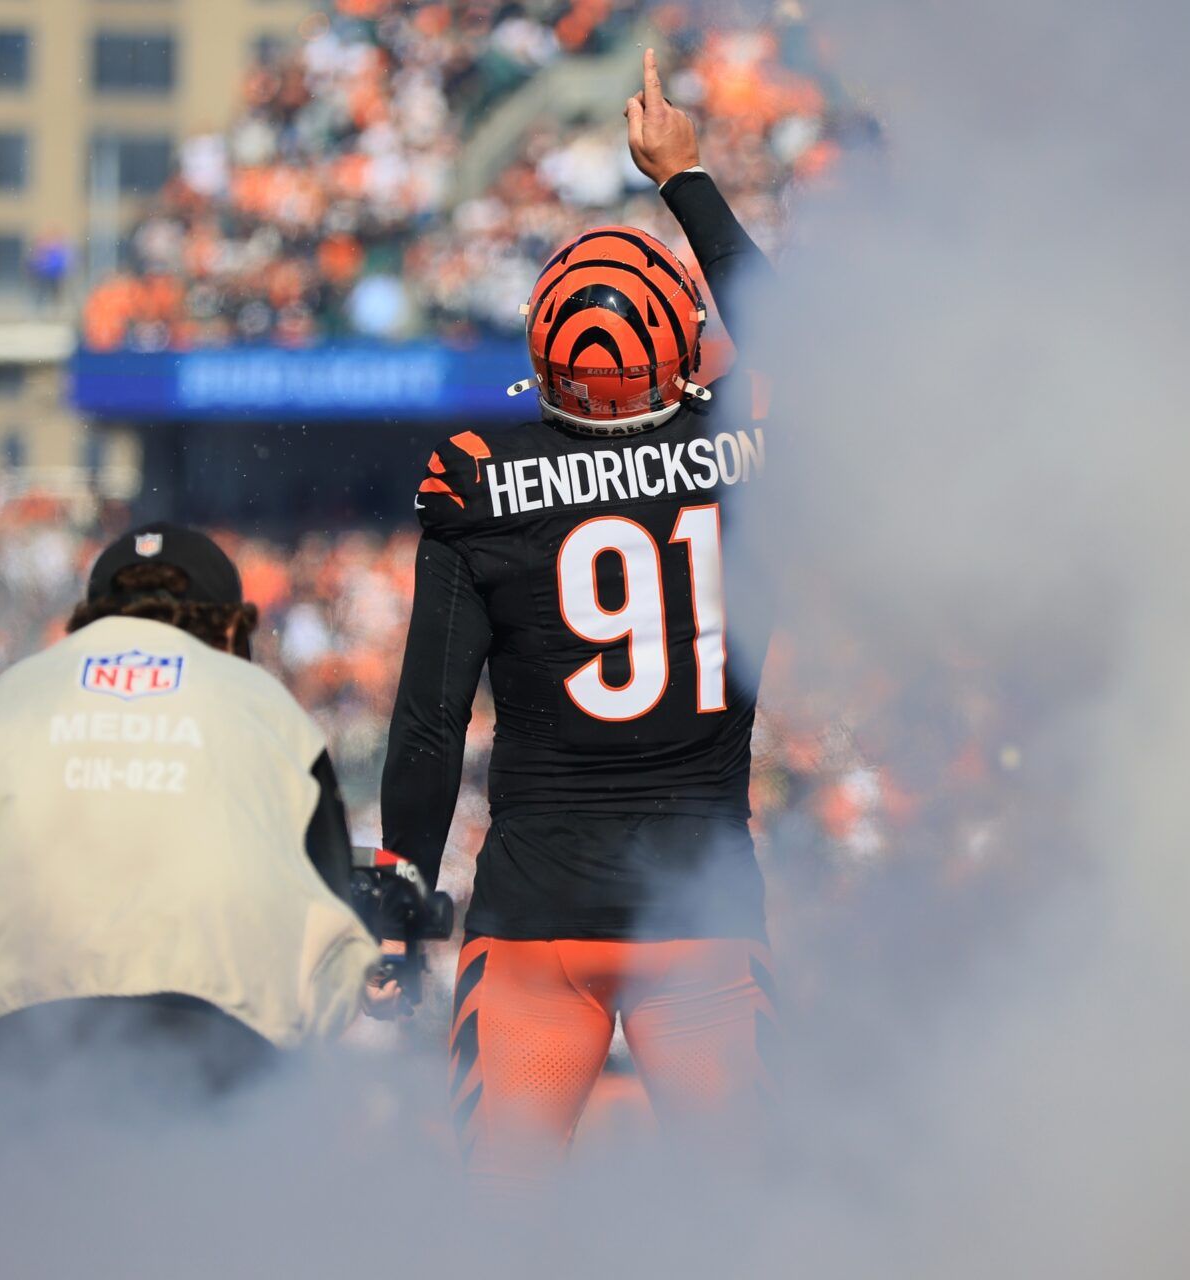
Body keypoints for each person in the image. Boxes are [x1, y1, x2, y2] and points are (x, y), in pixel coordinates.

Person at [378, 49, 782, 1198]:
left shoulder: (475, 479)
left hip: (533, 918)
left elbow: (427, 723)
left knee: (500, 1233)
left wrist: (400, 889)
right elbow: (800, 346)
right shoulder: (744, 463)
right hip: (700, 914)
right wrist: (685, 174)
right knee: (750, 1224)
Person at [0, 523, 383, 1170]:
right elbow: (330, 901)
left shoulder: (11, 695)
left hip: (6, 1055)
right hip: (210, 1050)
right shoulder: (262, 705)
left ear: (87, 621)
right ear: (228, 629)